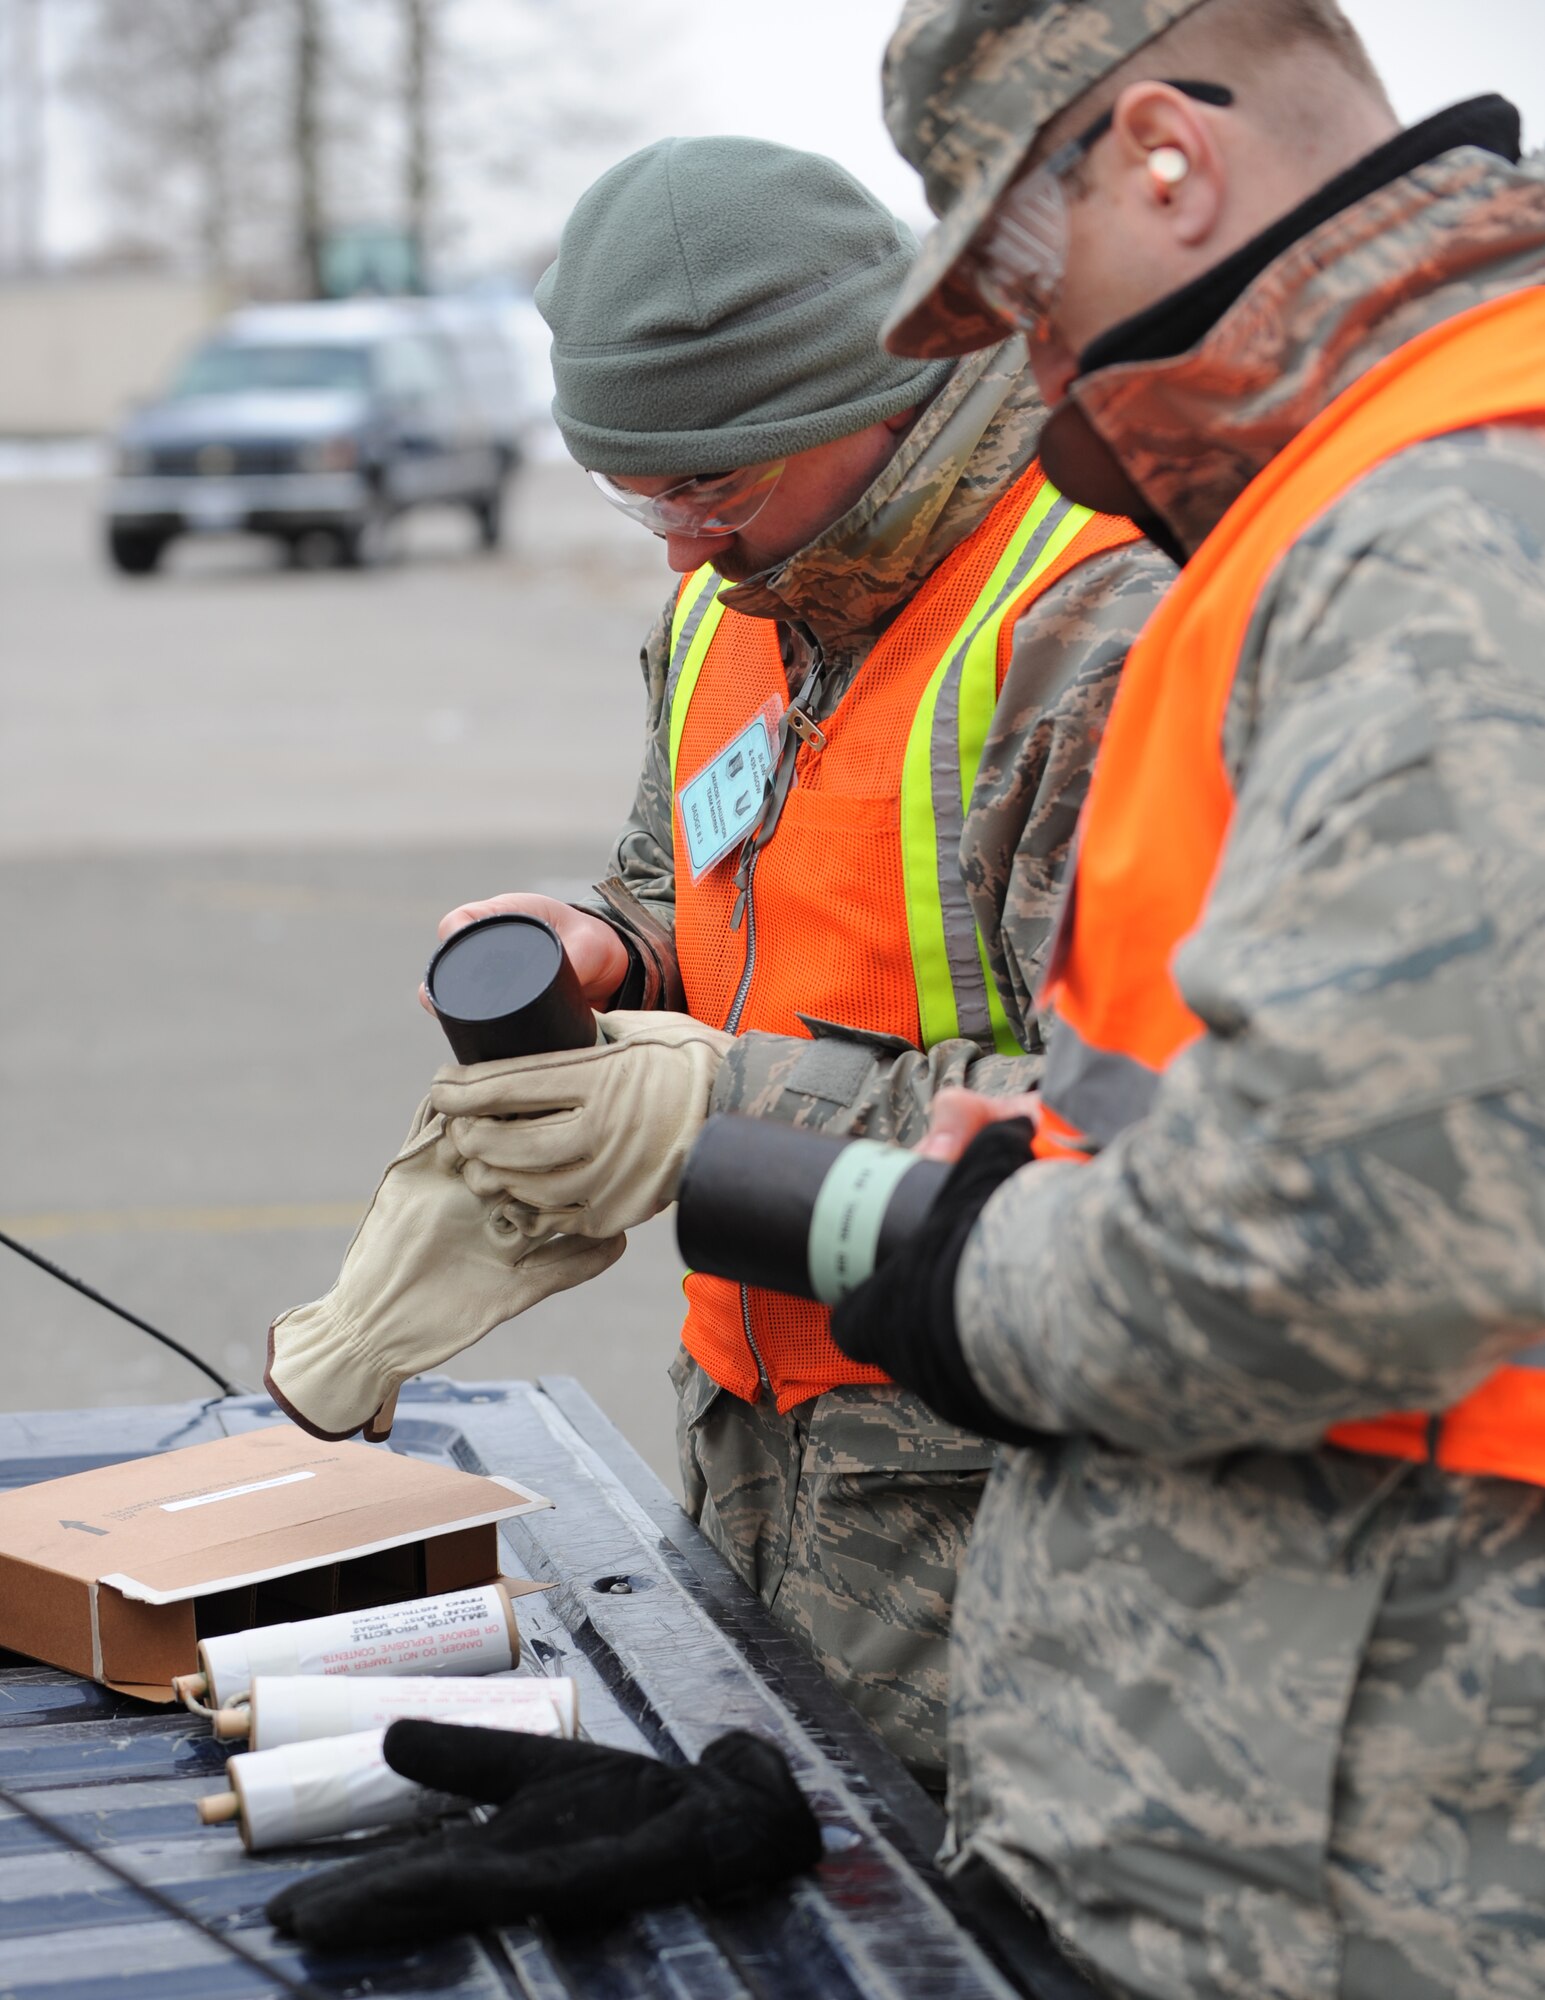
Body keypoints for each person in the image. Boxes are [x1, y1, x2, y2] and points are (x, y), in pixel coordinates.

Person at [265, 135, 1171, 1789]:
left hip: (1009, 1505)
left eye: (710, 485)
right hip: (759, 1434)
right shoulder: (735, 600)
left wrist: (718, 1110)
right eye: (637, 490)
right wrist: (606, 948)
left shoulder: (1094, 634)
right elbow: (687, 885)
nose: (678, 543)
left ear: (869, 391)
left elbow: (1163, 1154)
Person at [827, 0, 1545, 1990]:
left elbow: (1345, 1231)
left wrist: (968, 1271)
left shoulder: (1438, 519)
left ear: (1163, 154)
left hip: (1378, 1859)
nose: (1029, 364)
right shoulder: (1396, 483)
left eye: (1017, 288)